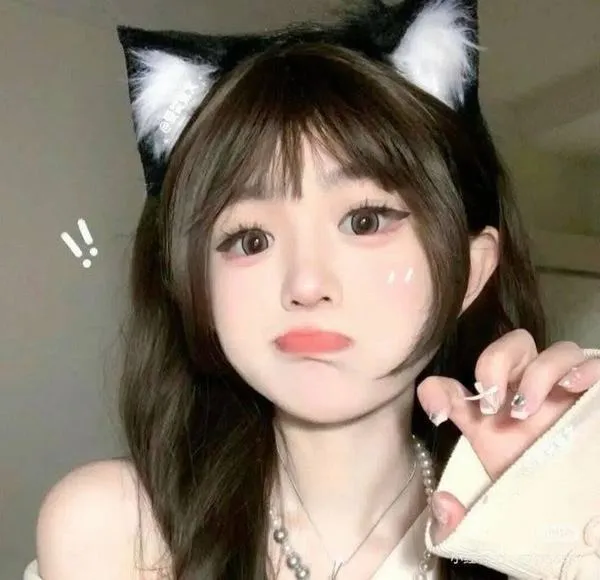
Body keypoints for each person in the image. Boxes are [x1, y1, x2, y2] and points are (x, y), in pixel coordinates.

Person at [24, 1, 600, 579]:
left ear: (470, 272)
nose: (305, 285)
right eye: (250, 239)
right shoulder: (115, 531)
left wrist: (569, 533)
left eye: (365, 221)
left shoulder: (547, 521)